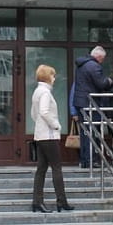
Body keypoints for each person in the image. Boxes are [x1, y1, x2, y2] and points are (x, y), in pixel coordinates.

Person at [30, 64, 74, 213]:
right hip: (49, 135)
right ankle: (61, 201)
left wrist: (40, 124)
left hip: (40, 135)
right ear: (47, 76)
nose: (54, 78)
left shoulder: (37, 91)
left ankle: (37, 201)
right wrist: (56, 125)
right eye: (53, 75)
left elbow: (34, 114)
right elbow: (44, 112)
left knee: (41, 168)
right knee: (56, 167)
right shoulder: (45, 92)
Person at [72, 46, 113, 168]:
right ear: (99, 57)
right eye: (103, 59)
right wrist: (109, 81)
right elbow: (101, 83)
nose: (102, 61)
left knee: (85, 132)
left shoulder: (82, 65)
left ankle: (85, 160)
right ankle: (92, 160)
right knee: (92, 132)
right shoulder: (94, 66)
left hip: (81, 103)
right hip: (90, 103)